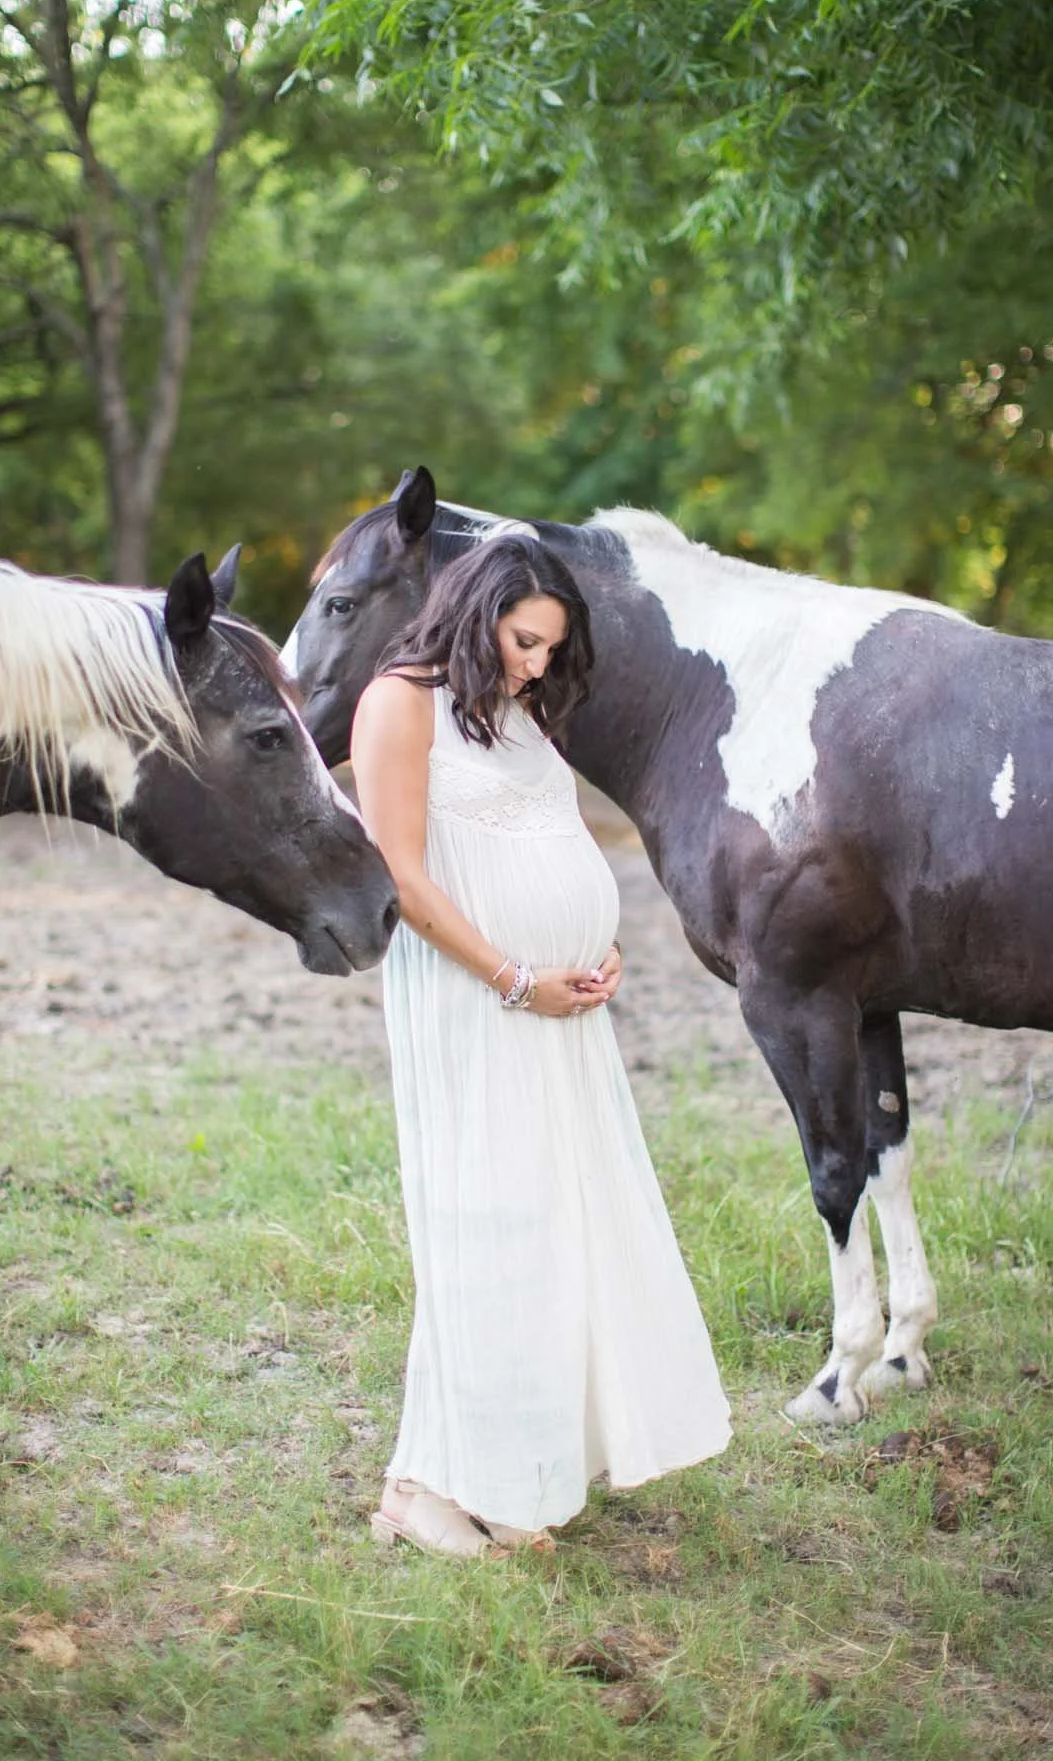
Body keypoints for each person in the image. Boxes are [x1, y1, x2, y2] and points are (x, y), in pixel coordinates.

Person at [350, 534, 731, 1557]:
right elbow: (403, 878)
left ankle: (501, 1472)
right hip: (476, 1001)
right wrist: (516, 976)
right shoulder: (398, 703)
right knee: (486, 1222)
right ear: (475, 615)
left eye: (549, 651)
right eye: (523, 641)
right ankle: (425, 1484)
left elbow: (547, 839)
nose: (534, 665)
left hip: (558, 1011)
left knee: (552, 1230)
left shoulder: (515, 716)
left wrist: (594, 946)